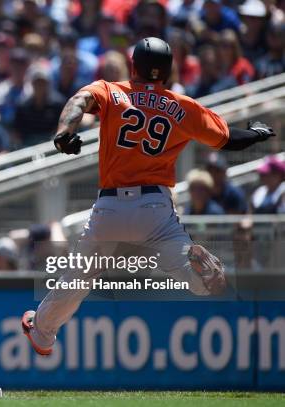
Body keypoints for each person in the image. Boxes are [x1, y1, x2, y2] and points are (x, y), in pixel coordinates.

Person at [21, 37, 276, 356]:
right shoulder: (182, 105)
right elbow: (229, 140)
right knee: (182, 268)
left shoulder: (112, 92)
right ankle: (197, 271)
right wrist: (258, 132)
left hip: (111, 207)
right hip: (155, 207)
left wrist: (63, 133)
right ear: (167, 71)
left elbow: (78, 101)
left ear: (133, 66)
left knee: (79, 275)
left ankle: (43, 333)